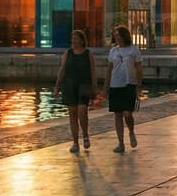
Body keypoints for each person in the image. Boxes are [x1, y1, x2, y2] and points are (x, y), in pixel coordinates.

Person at [54, 30, 98, 153]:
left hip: (84, 86)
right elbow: (62, 70)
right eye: (72, 38)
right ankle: (75, 142)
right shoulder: (68, 53)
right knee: (72, 115)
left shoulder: (88, 54)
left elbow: (93, 71)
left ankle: (85, 134)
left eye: (76, 38)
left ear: (82, 40)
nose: (73, 40)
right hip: (69, 86)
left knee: (82, 112)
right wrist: (57, 87)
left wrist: (94, 87)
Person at [105, 25, 143, 153]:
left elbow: (138, 68)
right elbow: (109, 69)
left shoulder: (133, 50)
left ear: (124, 36)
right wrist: (105, 87)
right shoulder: (113, 51)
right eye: (114, 36)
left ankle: (131, 131)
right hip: (115, 84)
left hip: (129, 84)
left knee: (127, 113)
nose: (116, 37)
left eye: (118, 35)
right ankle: (121, 143)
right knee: (117, 114)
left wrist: (139, 86)